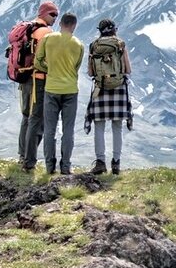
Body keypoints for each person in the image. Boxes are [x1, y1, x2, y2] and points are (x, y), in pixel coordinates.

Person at [34, 11, 83, 175]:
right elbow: (76, 67)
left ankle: (49, 166)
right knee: (68, 130)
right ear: (74, 26)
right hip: (70, 90)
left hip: (51, 89)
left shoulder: (48, 39)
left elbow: (38, 61)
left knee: (49, 129)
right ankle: (66, 166)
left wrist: (50, 69)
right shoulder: (79, 45)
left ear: (60, 24)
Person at [84, 18, 133, 175]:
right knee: (117, 127)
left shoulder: (94, 45)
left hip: (100, 88)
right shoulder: (120, 44)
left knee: (99, 126)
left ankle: (100, 162)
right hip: (119, 89)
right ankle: (116, 163)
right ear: (114, 30)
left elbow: (91, 72)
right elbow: (128, 69)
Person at [18, 0, 58, 169]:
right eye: (52, 14)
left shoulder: (30, 29)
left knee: (27, 117)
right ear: (43, 13)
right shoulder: (45, 33)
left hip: (25, 78)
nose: (55, 18)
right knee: (37, 119)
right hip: (38, 79)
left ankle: (22, 155)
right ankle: (29, 158)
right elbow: (46, 58)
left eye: (56, 14)